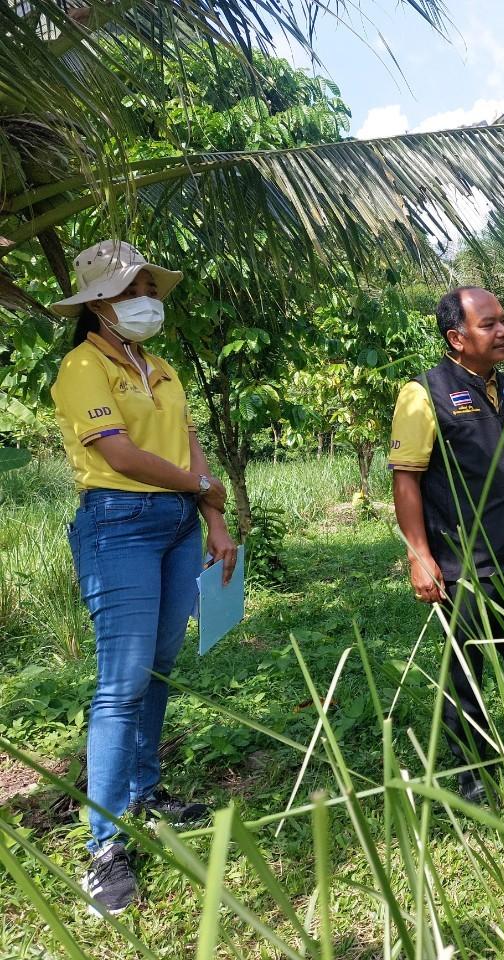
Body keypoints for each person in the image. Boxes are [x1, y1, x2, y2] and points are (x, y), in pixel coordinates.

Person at [48, 240, 239, 916]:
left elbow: (188, 443)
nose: (146, 301)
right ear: (98, 303)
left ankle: (143, 792)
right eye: (132, 290)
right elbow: (120, 454)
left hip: (179, 527)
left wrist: (213, 519)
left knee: (157, 669)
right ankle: (105, 845)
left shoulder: (160, 367)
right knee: (121, 683)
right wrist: (201, 485)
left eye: (150, 288)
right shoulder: (81, 367)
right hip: (119, 522)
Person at [389, 287, 504, 805]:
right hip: (464, 561)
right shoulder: (423, 393)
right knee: (467, 666)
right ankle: (474, 771)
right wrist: (420, 555)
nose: (503, 331)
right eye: (489, 324)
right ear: (456, 338)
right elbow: (406, 479)